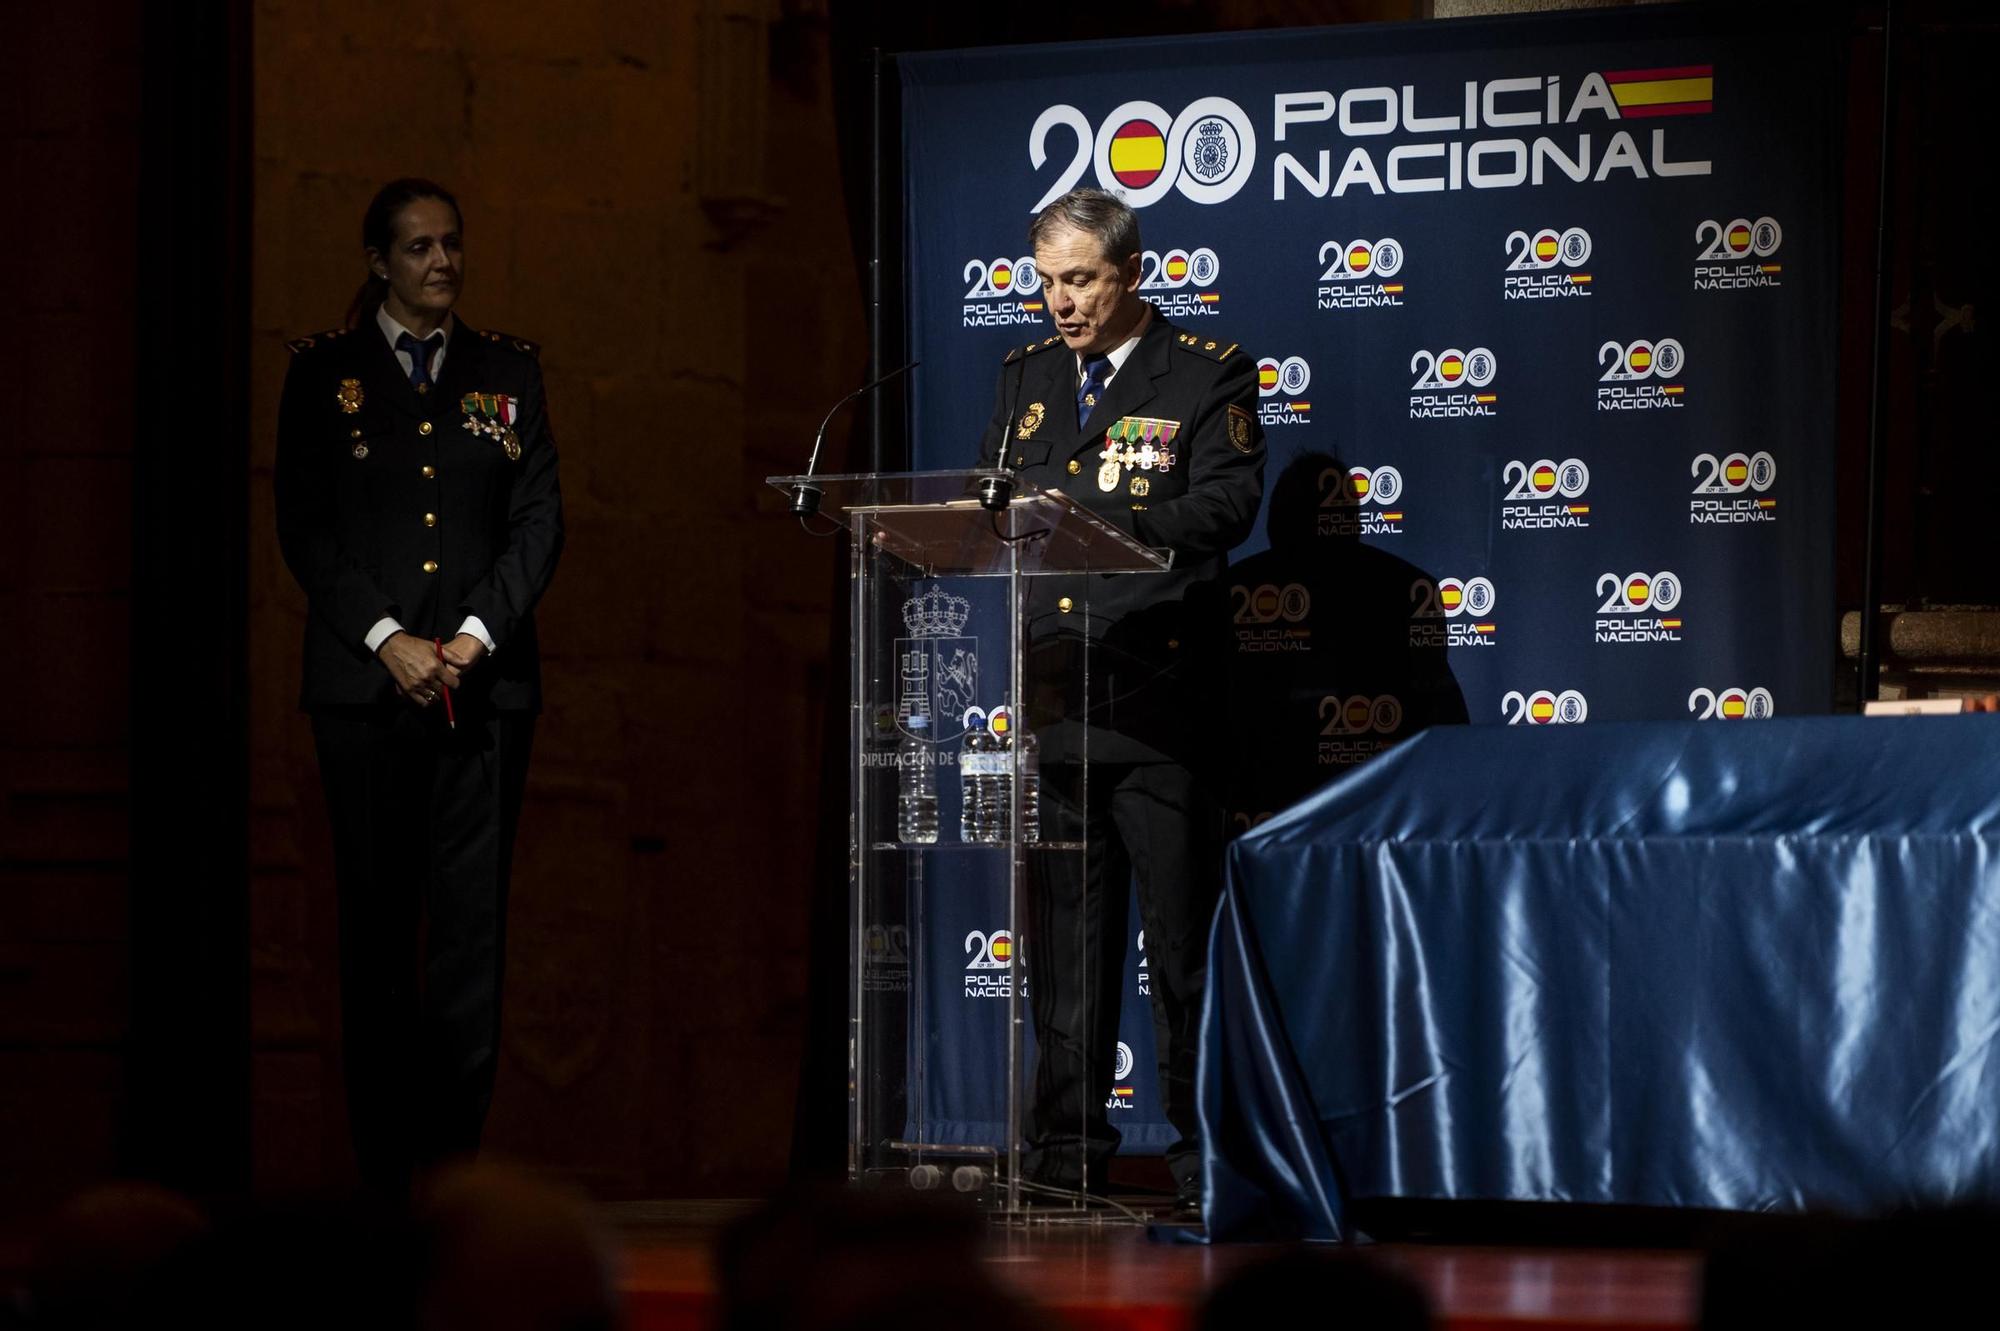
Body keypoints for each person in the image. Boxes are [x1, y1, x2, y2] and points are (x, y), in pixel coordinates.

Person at [975, 187, 1266, 1215]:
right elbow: (994, 500)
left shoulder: (1204, 371)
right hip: (1058, 699)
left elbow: (1227, 504)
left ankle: (1203, 1171)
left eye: (1081, 279)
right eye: (1046, 281)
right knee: (1067, 958)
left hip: (1158, 701)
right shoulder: (1026, 377)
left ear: (1131, 274)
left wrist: (1093, 506)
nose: (1059, 301)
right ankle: (1062, 1163)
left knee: (1180, 954)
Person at [274, 177, 564, 1201]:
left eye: (451, 243)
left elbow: (538, 524)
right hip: (365, 694)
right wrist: (389, 638)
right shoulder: (326, 375)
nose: (442, 261)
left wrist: (476, 637)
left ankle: (451, 1176)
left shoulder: (507, 372)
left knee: (470, 944)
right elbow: (303, 526)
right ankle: (382, 1178)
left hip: (481, 695)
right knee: (375, 931)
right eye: (418, 247)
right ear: (378, 263)